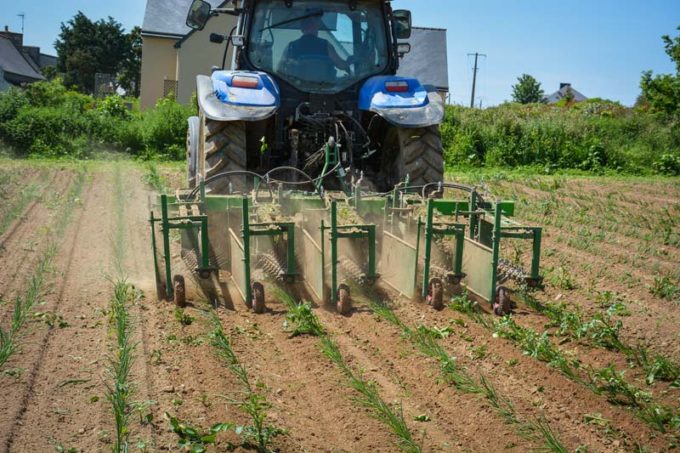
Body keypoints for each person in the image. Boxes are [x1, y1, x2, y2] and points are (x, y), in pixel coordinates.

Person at [279, 14, 351, 80]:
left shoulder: (291, 46)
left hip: (296, 88)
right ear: (316, 27)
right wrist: (349, 62)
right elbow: (341, 65)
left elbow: (280, 69)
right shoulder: (326, 45)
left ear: (302, 29)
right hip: (326, 88)